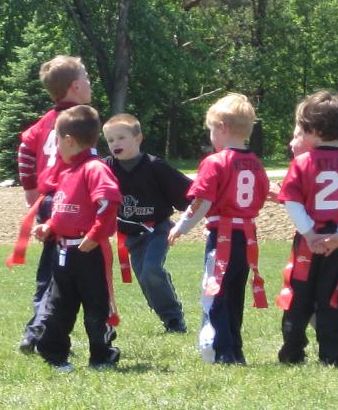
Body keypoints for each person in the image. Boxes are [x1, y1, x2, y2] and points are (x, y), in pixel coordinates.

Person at [168, 93, 269, 364]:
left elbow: (201, 202)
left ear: (222, 128)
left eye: (211, 130)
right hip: (247, 238)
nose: (211, 136)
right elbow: (261, 195)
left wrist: (181, 227)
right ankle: (236, 349)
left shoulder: (215, 162)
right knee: (235, 296)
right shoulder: (255, 162)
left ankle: (224, 352)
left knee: (215, 295)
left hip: (223, 238)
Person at [276, 90, 338, 367]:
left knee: (299, 296)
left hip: (309, 242)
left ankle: (292, 351)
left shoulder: (301, 162)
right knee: (334, 297)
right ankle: (335, 354)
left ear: (315, 130)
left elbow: (292, 202)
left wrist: (310, 234)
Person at [8, 55, 92, 353]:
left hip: (48, 201)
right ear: (75, 86)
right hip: (68, 202)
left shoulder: (46, 120)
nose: (90, 82)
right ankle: (39, 330)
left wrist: (31, 190)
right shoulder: (82, 119)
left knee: (55, 266)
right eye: (86, 77)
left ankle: (41, 328)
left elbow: (25, 149)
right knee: (62, 270)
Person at [33, 105, 122, 371]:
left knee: (96, 306)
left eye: (57, 141)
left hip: (88, 252)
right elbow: (65, 210)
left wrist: (95, 234)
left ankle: (101, 355)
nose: (56, 147)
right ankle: (54, 354)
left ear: (69, 141)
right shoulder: (68, 172)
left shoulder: (94, 169)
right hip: (63, 253)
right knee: (59, 304)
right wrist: (50, 226)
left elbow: (108, 202)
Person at [103, 113, 191, 333]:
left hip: (157, 229)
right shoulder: (105, 168)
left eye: (121, 138)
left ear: (138, 138)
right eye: (110, 140)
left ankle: (174, 318)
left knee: (151, 269)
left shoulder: (155, 166)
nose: (115, 144)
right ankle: (167, 317)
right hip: (131, 234)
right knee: (144, 276)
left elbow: (190, 194)